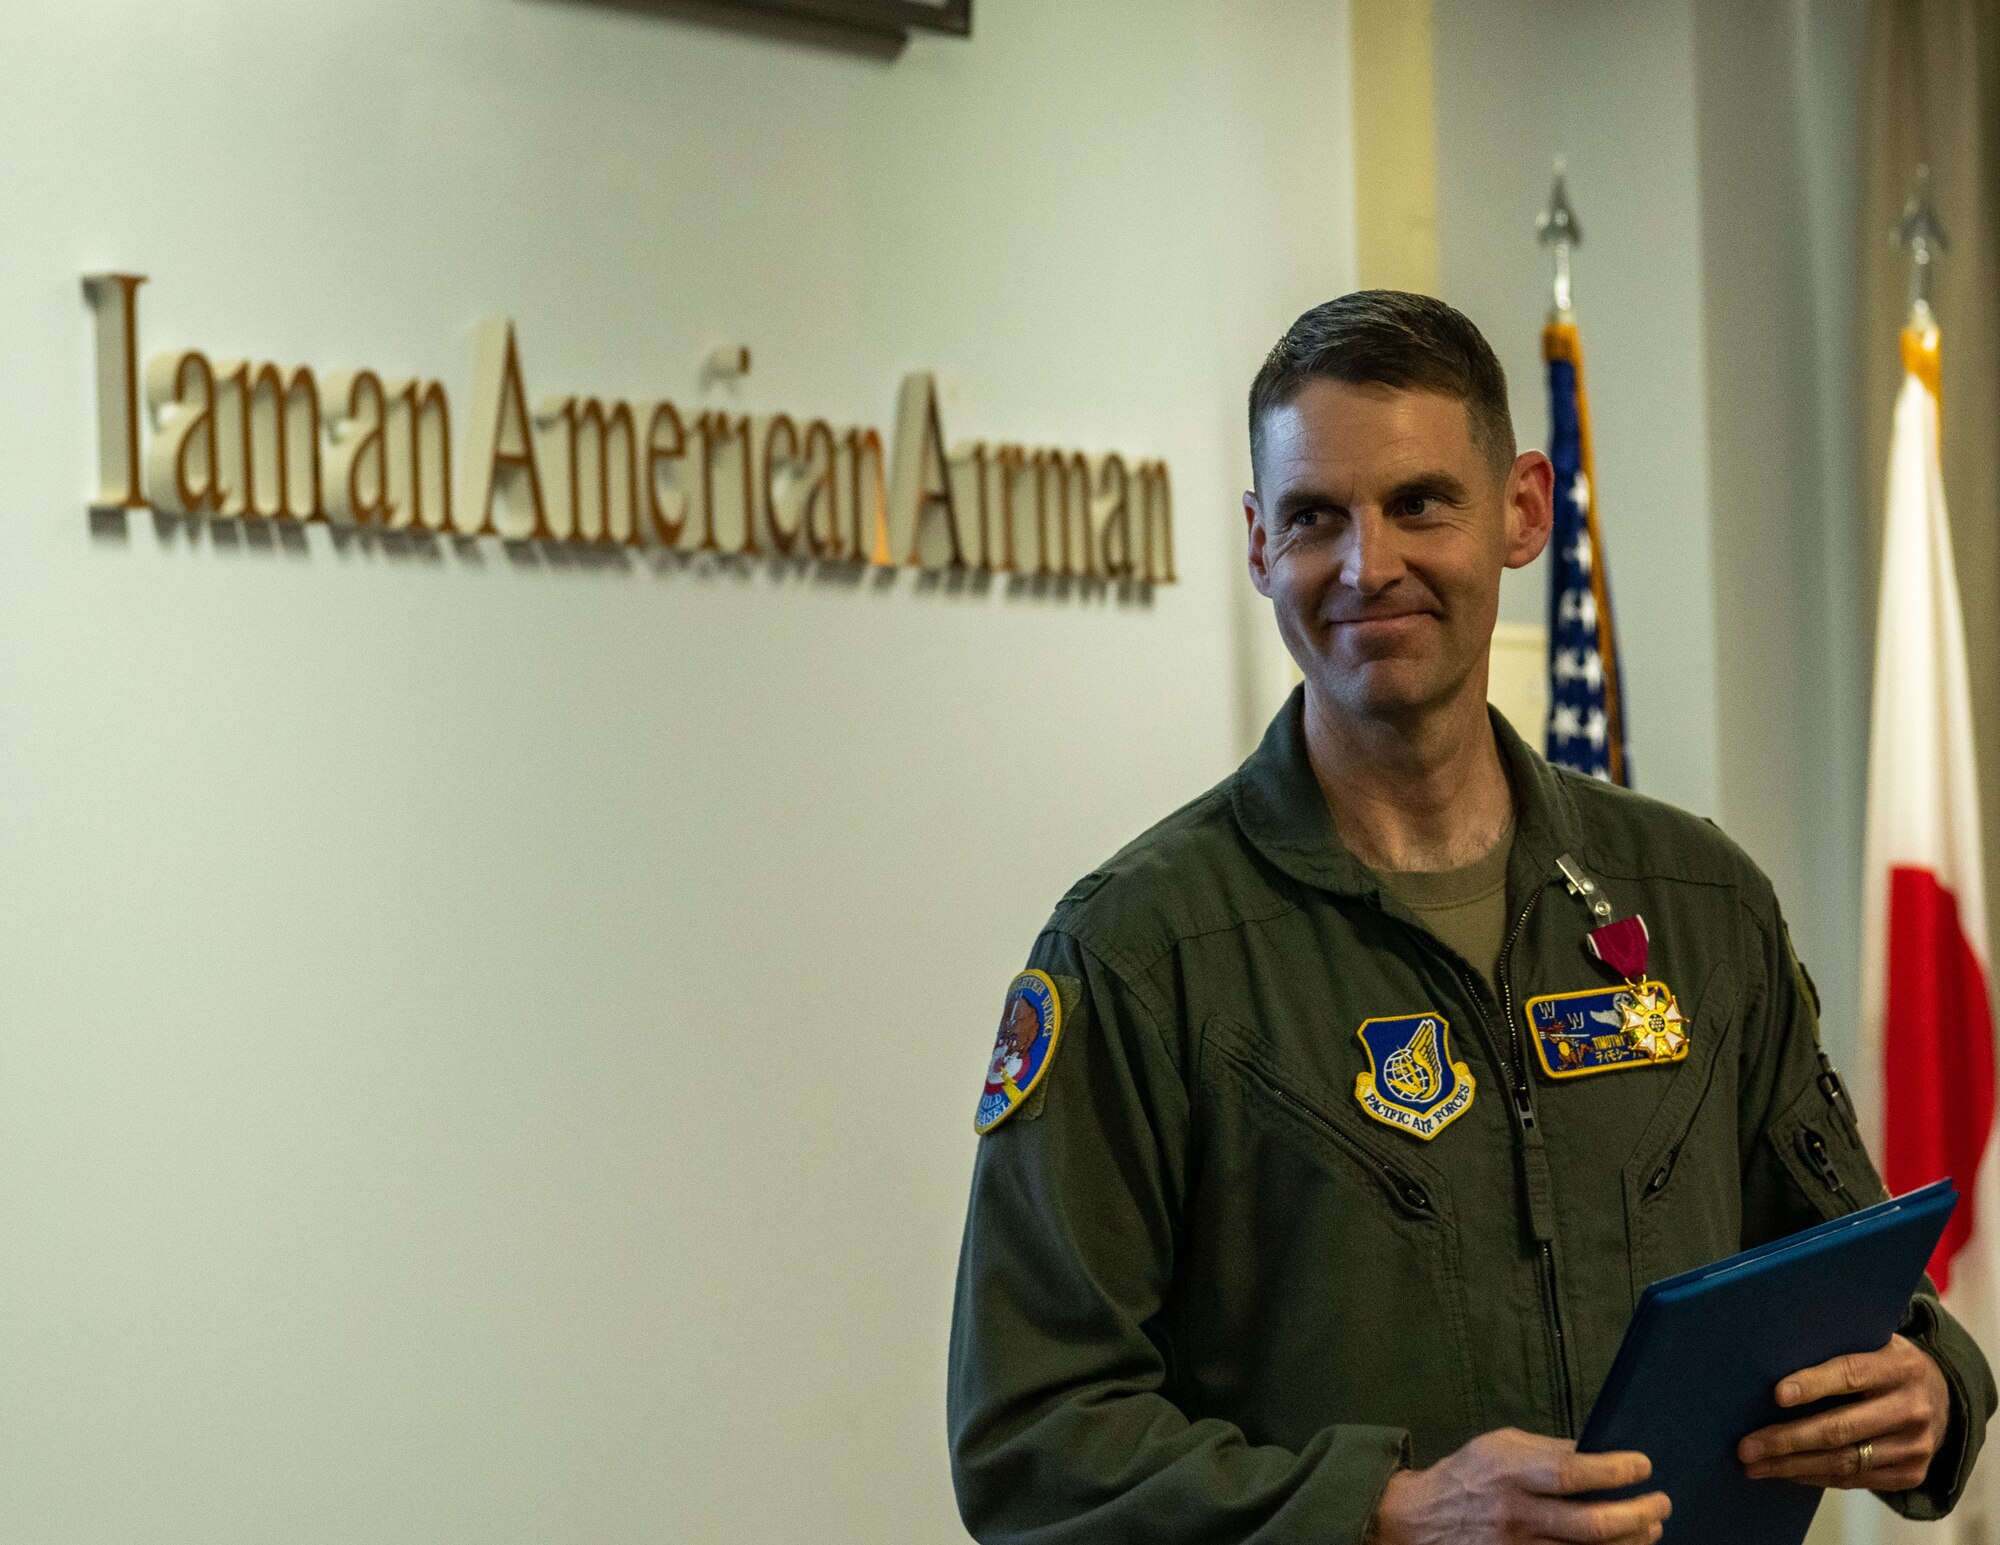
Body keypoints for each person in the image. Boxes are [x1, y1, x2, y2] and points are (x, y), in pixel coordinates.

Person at [946, 291, 1996, 1544]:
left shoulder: (1698, 903)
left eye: (1417, 504)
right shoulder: (1139, 954)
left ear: (1521, 512)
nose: (1364, 565)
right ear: (1254, 544)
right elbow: (1030, 1442)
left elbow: (1847, 1272)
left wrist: (1932, 1381)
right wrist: (1384, 1515)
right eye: (1313, 518)